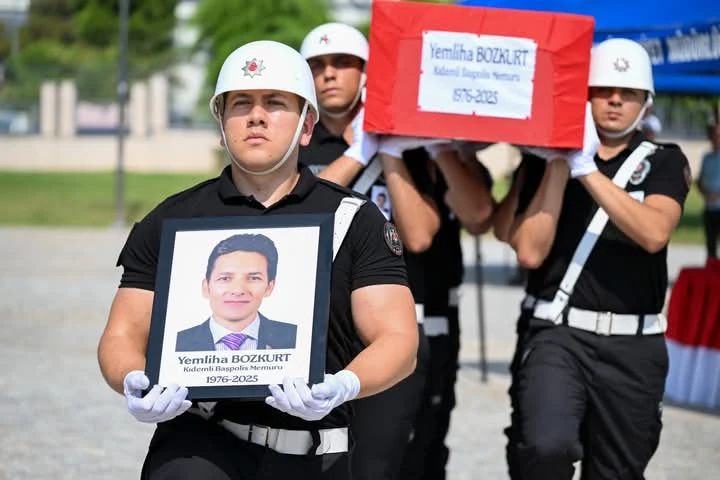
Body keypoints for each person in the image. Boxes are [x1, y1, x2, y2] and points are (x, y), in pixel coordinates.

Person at [97, 40, 419, 480]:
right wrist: (132, 379)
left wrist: (344, 385)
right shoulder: (172, 219)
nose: (256, 115)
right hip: (197, 445)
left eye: (275, 103)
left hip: (312, 456)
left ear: (307, 126)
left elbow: (398, 339)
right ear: (221, 123)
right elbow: (122, 333)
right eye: (241, 103)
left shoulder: (353, 220)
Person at [299, 22, 494, 480]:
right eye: (318, 66)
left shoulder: (412, 145)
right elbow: (299, 221)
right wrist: (358, 151)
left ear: (367, 72)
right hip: (322, 328)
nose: (329, 74)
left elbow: (421, 236)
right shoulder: (299, 141)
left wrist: (389, 150)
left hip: (410, 324)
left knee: (408, 458)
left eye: (343, 63)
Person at [508, 38, 690, 479]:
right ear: (583, 95)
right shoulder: (546, 160)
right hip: (559, 334)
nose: (615, 100)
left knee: (618, 471)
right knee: (545, 448)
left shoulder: (665, 161)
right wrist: (560, 160)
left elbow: (654, 233)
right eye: (603, 89)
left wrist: (586, 169)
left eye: (628, 92)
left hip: (634, 345)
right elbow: (528, 251)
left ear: (646, 102)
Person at [489, 151, 546, 480]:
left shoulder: (658, 159)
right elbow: (505, 232)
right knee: (537, 442)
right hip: (544, 319)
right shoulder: (537, 163)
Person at [175, 233, 297, 352]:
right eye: (225, 278)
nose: (238, 290)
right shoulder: (176, 343)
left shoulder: (296, 337)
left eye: (254, 278)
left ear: (269, 287)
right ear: (206, 287)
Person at [698, 118, 720, 259]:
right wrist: (705, 193)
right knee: (710, 245)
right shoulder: (707, 157)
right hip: (710, 207)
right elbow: (700, 180)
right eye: (714, 135)